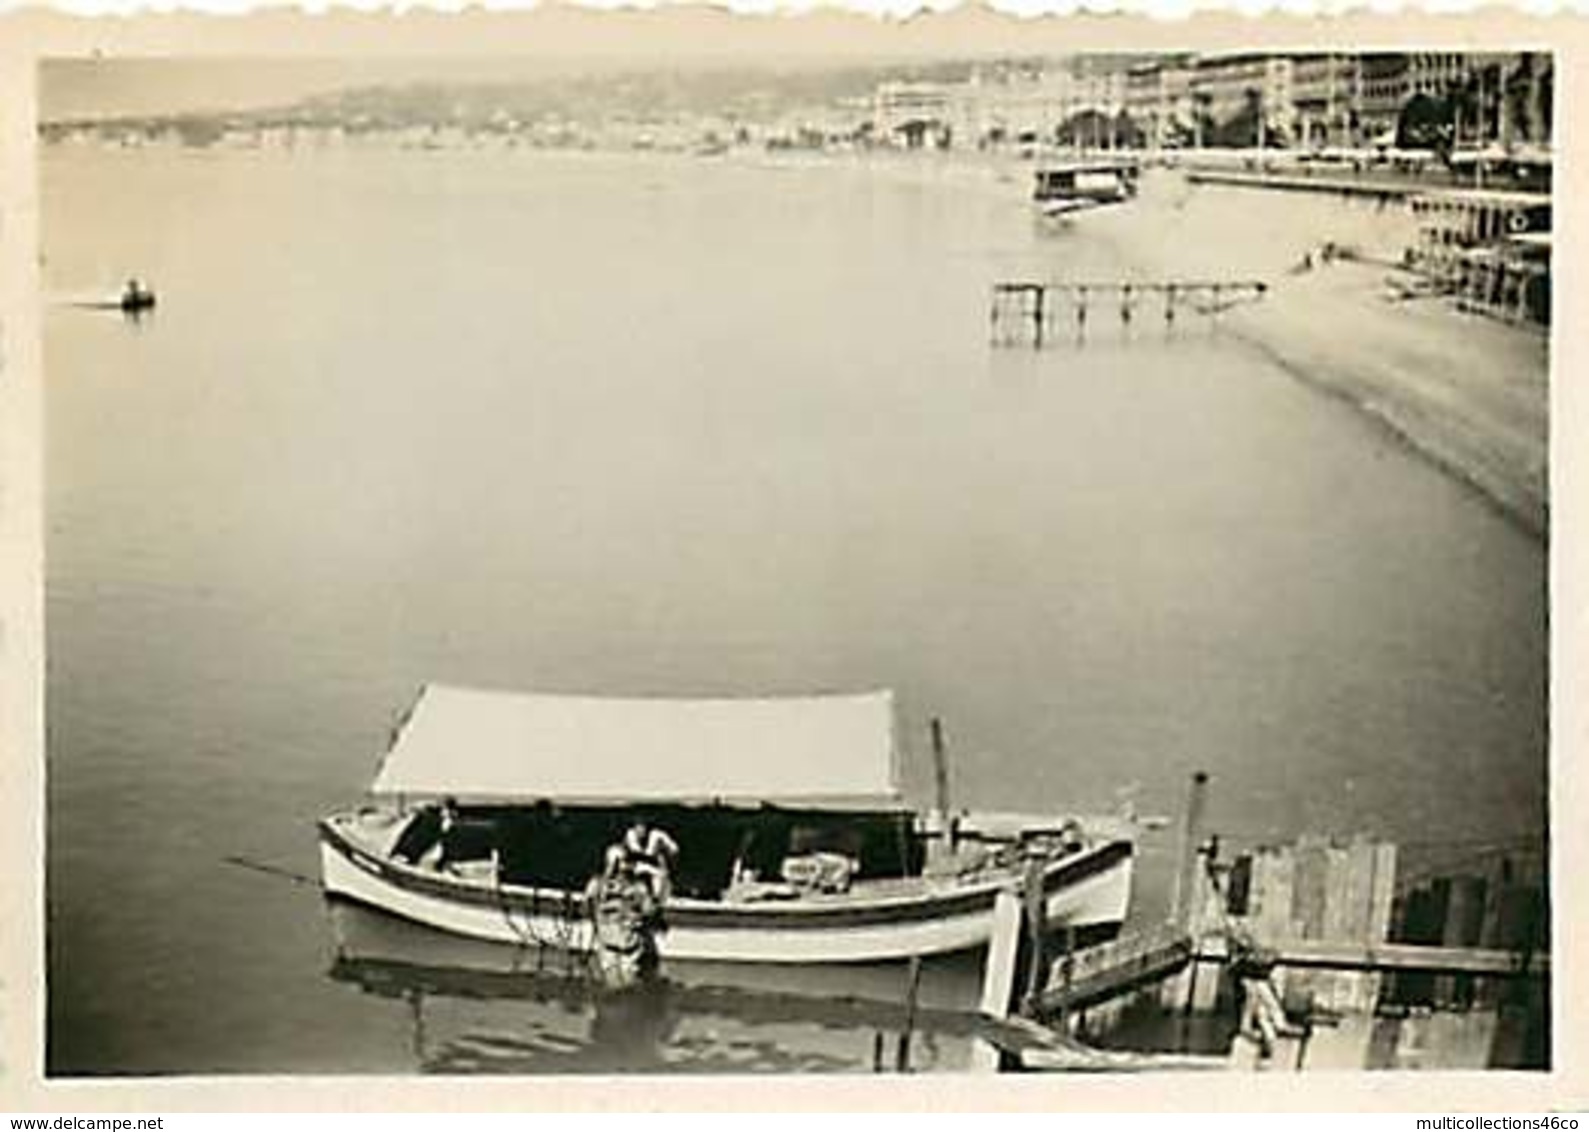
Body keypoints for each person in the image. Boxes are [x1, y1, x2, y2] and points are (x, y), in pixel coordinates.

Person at [604, 818, 679, 903]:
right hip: (634, 865)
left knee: (657, 877)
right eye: (638, 827)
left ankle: (656, 899)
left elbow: (674, 849)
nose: (641, 830)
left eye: (643, 827)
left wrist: (665, 853)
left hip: (650, 867)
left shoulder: (657, 835)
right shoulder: (630, 835)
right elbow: (635, 853)